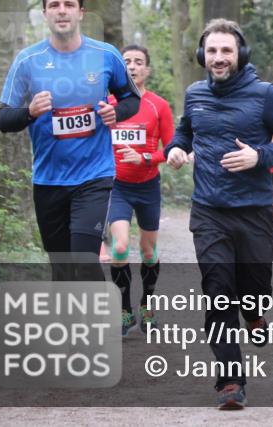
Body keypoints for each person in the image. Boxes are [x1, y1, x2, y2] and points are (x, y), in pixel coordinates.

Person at [165, 18, 273, 410]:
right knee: (217, 293)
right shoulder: (195, 94)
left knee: (254, 291)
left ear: (240, 54)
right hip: (209, 211)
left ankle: (255, 314)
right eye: (212, 51)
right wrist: (175, 150)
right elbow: (184, 133)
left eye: (226, 50)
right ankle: (230, 380)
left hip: (254, 211)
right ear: (202, 55)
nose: (219, 58)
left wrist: (259, 155)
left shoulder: (265, 96)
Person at [0, 0, 141, 280]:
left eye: (68, 5)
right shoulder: (27, 61)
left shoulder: (106, 55)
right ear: (45, 13)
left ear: (80, 13)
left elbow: (131, 100)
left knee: (84, 261)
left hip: (94, 175)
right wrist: (30, 112)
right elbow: (4, 119)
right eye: (54, 5)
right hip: (49, 179)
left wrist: (116, 112)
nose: (62, 11)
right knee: (62, 270)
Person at [105, 45, 175, 337]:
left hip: (147, 186)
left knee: (148, 251)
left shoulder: (158, 105)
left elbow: (172, 149)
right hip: (116, 186)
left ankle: (148, 306)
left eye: (138, 62)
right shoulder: (107, 103)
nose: (132, 66)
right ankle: (124, 310)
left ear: (147, 70)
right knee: (120, 247)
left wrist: (146, 157)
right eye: (127, 62)